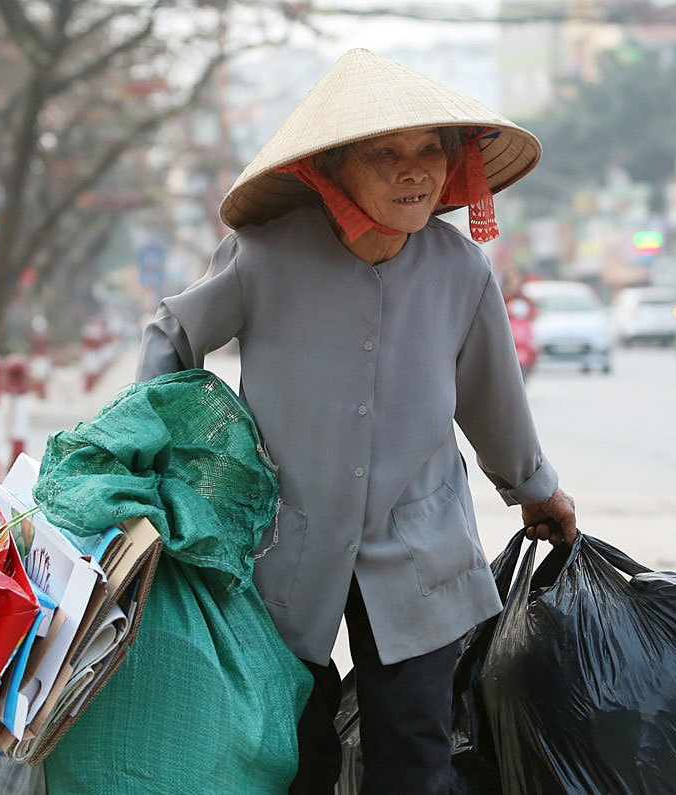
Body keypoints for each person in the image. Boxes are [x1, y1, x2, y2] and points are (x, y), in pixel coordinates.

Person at [134, 49, 577, 794]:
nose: (416, 171)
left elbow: (491, 396)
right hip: (283, 545)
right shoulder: (263, 257)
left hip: (420, 544)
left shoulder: (460, 271)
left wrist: (536, 488)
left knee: (415, 758)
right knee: (290, 752)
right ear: (333, 168)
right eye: (386, 153)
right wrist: (166, 461)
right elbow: (171, 337)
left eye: (430, 150)